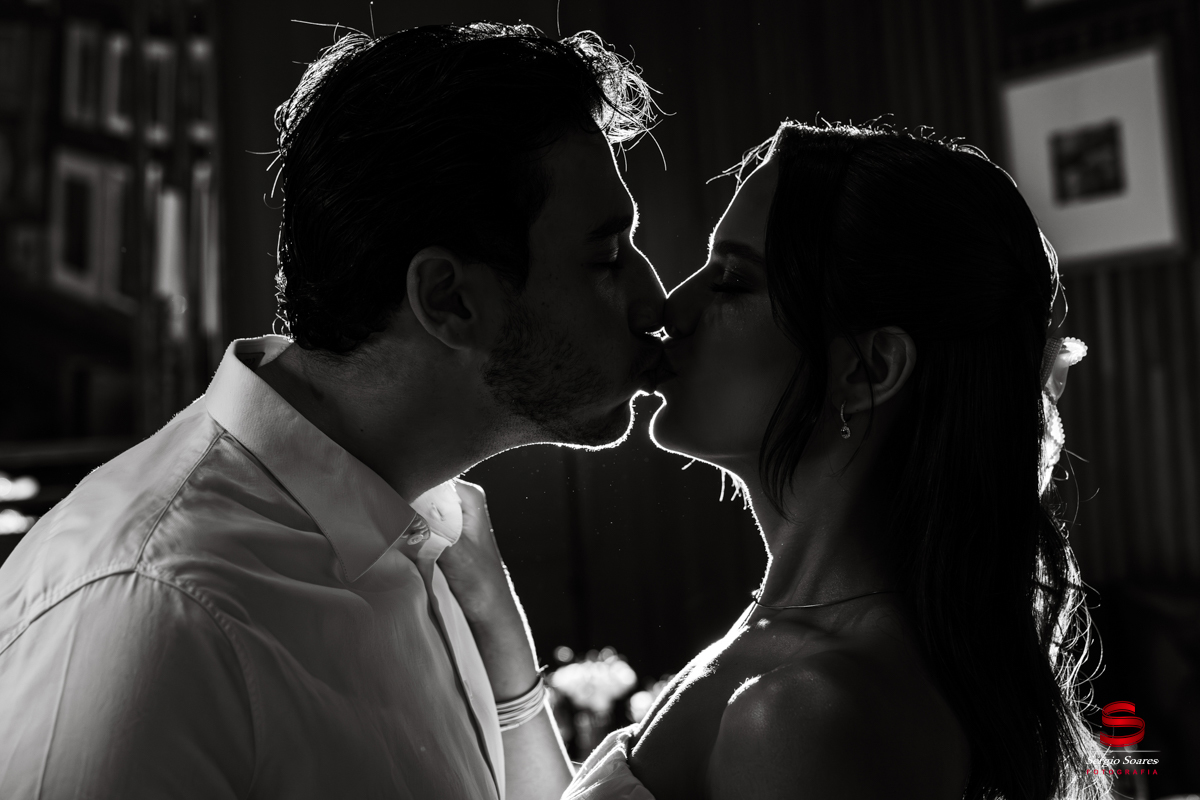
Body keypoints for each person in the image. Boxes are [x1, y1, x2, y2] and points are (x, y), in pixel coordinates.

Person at [0, 23, 664, 800]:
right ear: (449, 300)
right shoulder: (157, 611)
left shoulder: (426, 540)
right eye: (606, 258)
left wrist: (512, 688)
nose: (655, 301)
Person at [464, 120, 1111, 800]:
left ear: (868, 368)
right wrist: (500, 639)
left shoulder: (806, 711)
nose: (670, 309)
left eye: (730, 282)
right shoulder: (800, 640)